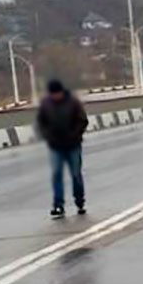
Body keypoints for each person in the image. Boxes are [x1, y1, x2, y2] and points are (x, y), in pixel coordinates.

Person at [36, 78, 88, 218]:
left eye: (57, 93)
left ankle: (80, 202)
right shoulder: (46, 104)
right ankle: (58, 205)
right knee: (56, 174)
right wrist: (48, 136)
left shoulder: (73, 102)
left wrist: (75, 134)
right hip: (55, 146)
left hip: (73, 145)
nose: (55, 96)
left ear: (61, 92)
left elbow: (82, 120)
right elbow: (41, 123)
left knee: (76, 174)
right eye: (53, 94)